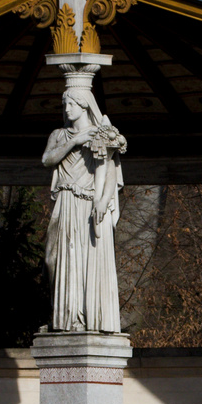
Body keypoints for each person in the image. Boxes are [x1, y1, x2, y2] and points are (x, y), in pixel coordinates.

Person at [42, 83, 126, 333]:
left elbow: (109, 170)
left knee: (85, 259)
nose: (67, 109)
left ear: (84, 105)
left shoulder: (100, 133)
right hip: (65, 203)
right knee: (53, 258)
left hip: (88, 205)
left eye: (72, 104)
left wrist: (102, 201)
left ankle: (83, 318)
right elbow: (47, 160)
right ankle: (65, 316)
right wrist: (75, 140)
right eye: (64, 104)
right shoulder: (59, 135)